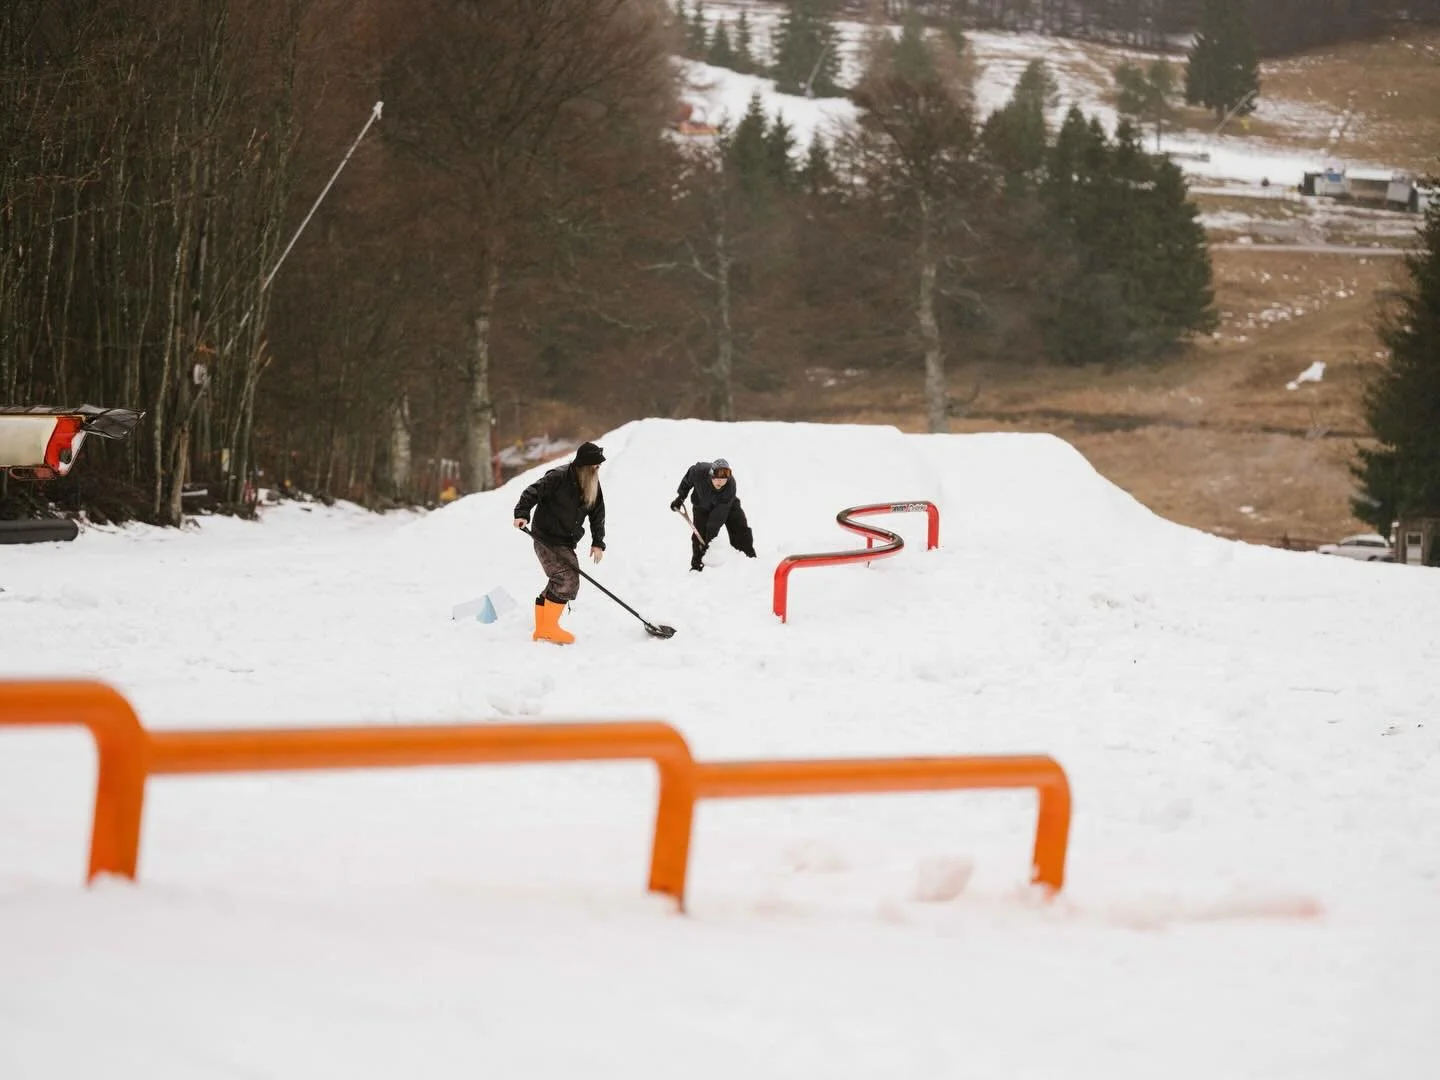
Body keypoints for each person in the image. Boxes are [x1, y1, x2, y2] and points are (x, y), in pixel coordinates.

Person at [512, 440, 607, 644]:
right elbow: (531, 492)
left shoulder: (591, 483)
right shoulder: (558, 477)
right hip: (545, 538)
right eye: (595, 466)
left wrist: (598, 542)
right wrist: (522, 514)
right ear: (584, 465)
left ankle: (543, 628)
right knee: (567, 579)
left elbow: (597, 513)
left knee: (560, 579)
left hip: (566, 541)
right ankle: (548, 628)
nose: (597, 470)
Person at [669, 457, 756, 572]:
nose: (720, 482)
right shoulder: (699, 472)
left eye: (724, 479)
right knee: (699, 535)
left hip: (727, 504)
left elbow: (717, 519)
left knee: (739, 529)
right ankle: (697, 567)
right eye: (717, 479)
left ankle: (748, 562)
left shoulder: (730, 485)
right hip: (701, 506)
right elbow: (687, 481)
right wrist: (680, 498)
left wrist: (709, 539)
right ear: (711, 475)